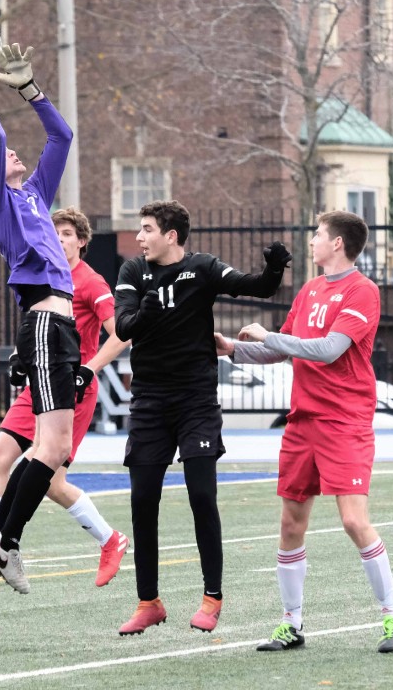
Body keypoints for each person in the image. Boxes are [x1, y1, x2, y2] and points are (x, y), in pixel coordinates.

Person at [217, 210, 393, 654]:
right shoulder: (309, 290)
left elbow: (326, 350)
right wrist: (232, 350)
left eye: (318, 234)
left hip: (344, 423)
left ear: (338, 243)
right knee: (290, 525)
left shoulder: (363, 291)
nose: (312, 241)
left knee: (354, 521)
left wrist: (268, 336)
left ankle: (392, 618)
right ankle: (292, 624)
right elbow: (281, 349)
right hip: (303, 423)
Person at [114, 200, 290, 636]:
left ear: (170, 235)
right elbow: (122, 326)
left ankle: (212, 597)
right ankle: (148, 601)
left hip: (196, 400)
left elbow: (258, 287)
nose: (139, 237)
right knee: (141, 502)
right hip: (150, 402)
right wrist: (147, 313)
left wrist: (274, 267)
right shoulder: (133, 272)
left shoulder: (204, 268)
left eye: (147, 228)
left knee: (201, 497)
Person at [0, 208, 132, 587]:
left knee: (53, 483)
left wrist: (90, 367)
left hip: (72, 390)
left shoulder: (89, 281)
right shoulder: (45, 276)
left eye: (68, 233)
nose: (59, 238)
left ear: (82, 241)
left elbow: (121, 333)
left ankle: (110, 540)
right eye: (54, 232)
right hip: (38, 382)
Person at [0, 42, 81, 594]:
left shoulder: (32, 195)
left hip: (60, 325)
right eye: (3, 159)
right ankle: (5, 541)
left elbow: (63, 137)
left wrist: (30, 90)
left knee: (54, 447)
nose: (17, 157)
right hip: (47, 322)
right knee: (49, 449)